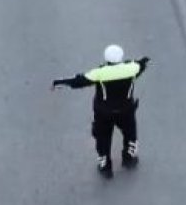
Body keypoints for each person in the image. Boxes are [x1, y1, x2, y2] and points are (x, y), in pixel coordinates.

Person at [52, 45, 151, 178]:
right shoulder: (132, 68)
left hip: (104, 112)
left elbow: (79, 81)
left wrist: (58, 83)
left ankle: (105, 166)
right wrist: (144, 61)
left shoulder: (100, 72)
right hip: (126, 110)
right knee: (130, 133)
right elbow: (141, 65)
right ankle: (129, 158)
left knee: (103, 138)